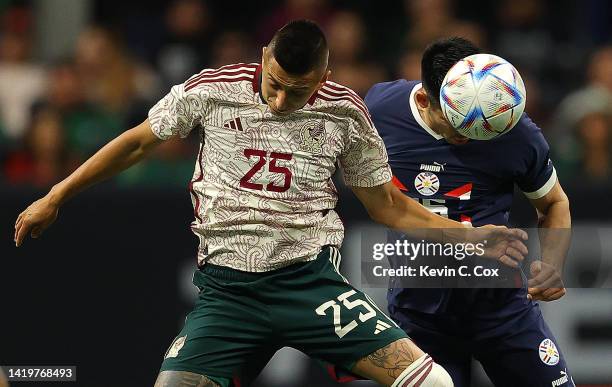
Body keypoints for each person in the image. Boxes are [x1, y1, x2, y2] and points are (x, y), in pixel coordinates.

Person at [14, 22, 526, 387]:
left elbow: (390, 207)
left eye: (298, 91)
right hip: (226, 295)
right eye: (276, 84)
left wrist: (472, 238)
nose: (281, 101)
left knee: (433, 381)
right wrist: (57, 195)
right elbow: (137, 142)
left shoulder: (346, 116)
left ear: (323, 76)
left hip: (309, 286)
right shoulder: (211, 91)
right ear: (264, 57)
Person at [365, 37, 573, 387]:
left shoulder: (513, 130)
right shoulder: (379, 111)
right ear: (422, 99)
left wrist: (551, 264)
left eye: (482, 130)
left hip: (502, 309)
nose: (473, 136)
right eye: (459, 126)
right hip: (419, 316)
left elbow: (554, 203)